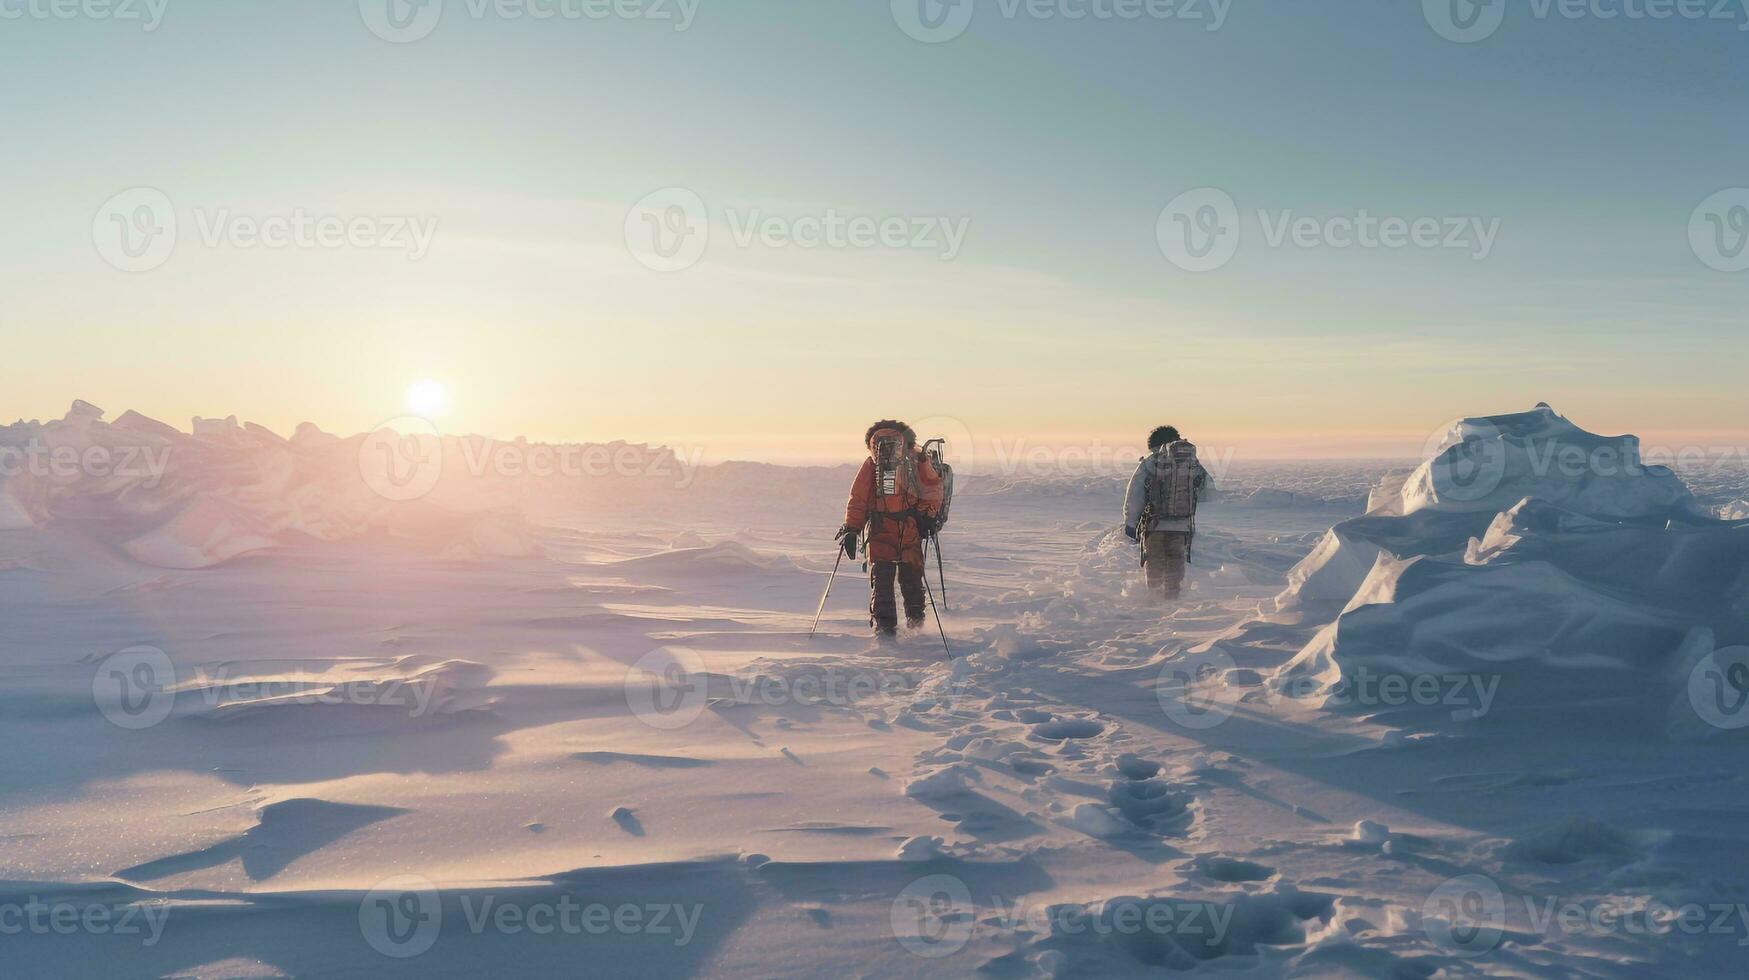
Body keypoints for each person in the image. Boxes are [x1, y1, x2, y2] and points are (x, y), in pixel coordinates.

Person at [839, 420, 945, 639]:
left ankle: (885, 633)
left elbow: (858, 499)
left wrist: (852, 528)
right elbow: (933, 489)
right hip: (910, 529)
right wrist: (927, 516)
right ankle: (917, 627)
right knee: (912, 580)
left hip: (880, 531)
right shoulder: (917, 460)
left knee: (882, 582)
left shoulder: (871, 464)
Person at [1123, 425, 1213, 599]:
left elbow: (1136, 494)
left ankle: (1154, 595)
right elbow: (1207, 491)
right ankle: (1172, 596)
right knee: (1176, 559)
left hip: (1153, 524)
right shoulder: (1191, 463)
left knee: (1154, 559)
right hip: (1182, 524)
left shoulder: (1151, 462)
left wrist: (1131, 522)